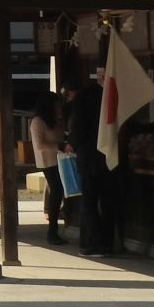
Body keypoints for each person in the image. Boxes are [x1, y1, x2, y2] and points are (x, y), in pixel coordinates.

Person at [62, 74, 113, 255]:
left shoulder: (80, 104)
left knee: (90, 202)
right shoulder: (105, 103)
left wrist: (71, 144)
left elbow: (77, 129)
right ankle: (108, 241)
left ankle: (94, 242)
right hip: (107, 157)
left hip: (87, 157)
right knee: (107, 201)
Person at [28, 91, 66, 245]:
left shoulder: (55, 120)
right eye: (56, 105)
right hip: (48, 161)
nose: (59, 107)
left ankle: (54, 230)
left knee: (59, 193)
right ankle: (52, 231)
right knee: (56, 193)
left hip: (60, 160)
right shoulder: (38, 121)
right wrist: (60, 146)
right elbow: (40, 145)